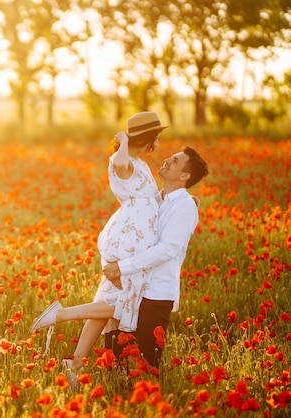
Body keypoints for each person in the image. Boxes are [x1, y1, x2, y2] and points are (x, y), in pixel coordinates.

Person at [29, 111, 168, 384]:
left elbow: (151, 199)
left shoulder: (139, 164)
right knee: (123, 302)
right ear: (147, 139)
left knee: (106, 303)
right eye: (157, 139)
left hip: (136, 236)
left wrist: (181, 200)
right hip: (130, 240)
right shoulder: (124, 161)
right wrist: (123, 141)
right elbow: (119, 162)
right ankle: (60, 314)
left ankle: (75, 365)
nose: (159, 145)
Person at [102, 146, 209, 370]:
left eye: (176, 160)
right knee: (115, 359)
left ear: (184, 176)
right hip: (131, 289)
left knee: (147, 364)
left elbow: (167, 248)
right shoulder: (152, 200)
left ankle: (60, 315)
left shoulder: (184, 206)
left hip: (155, 294)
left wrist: (122, 267)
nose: (168, 159)